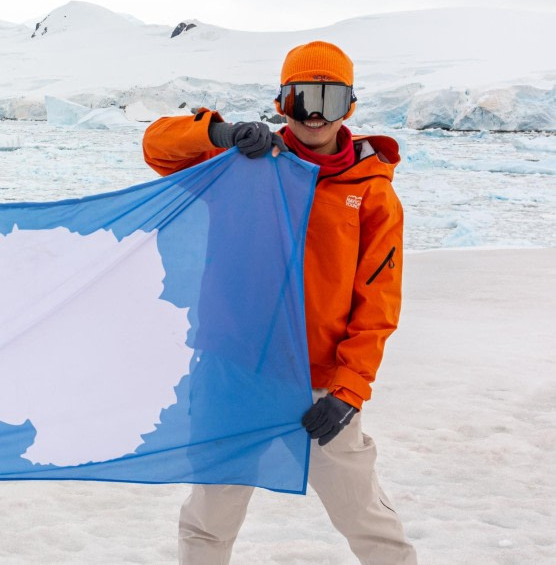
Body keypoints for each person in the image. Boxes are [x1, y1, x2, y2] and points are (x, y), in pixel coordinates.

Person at [142, 41, 418, 564]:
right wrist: (217, 133)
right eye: (300, 99)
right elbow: (157, 146)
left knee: (368, 521)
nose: (314, 114)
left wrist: (349, 389)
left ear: (350, 107)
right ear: (280, 103)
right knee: (210, 519)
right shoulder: (241, 162)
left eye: (329, 100)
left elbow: (377, 301)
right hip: (234, 372)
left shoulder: (372, 192)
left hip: (321, 386)